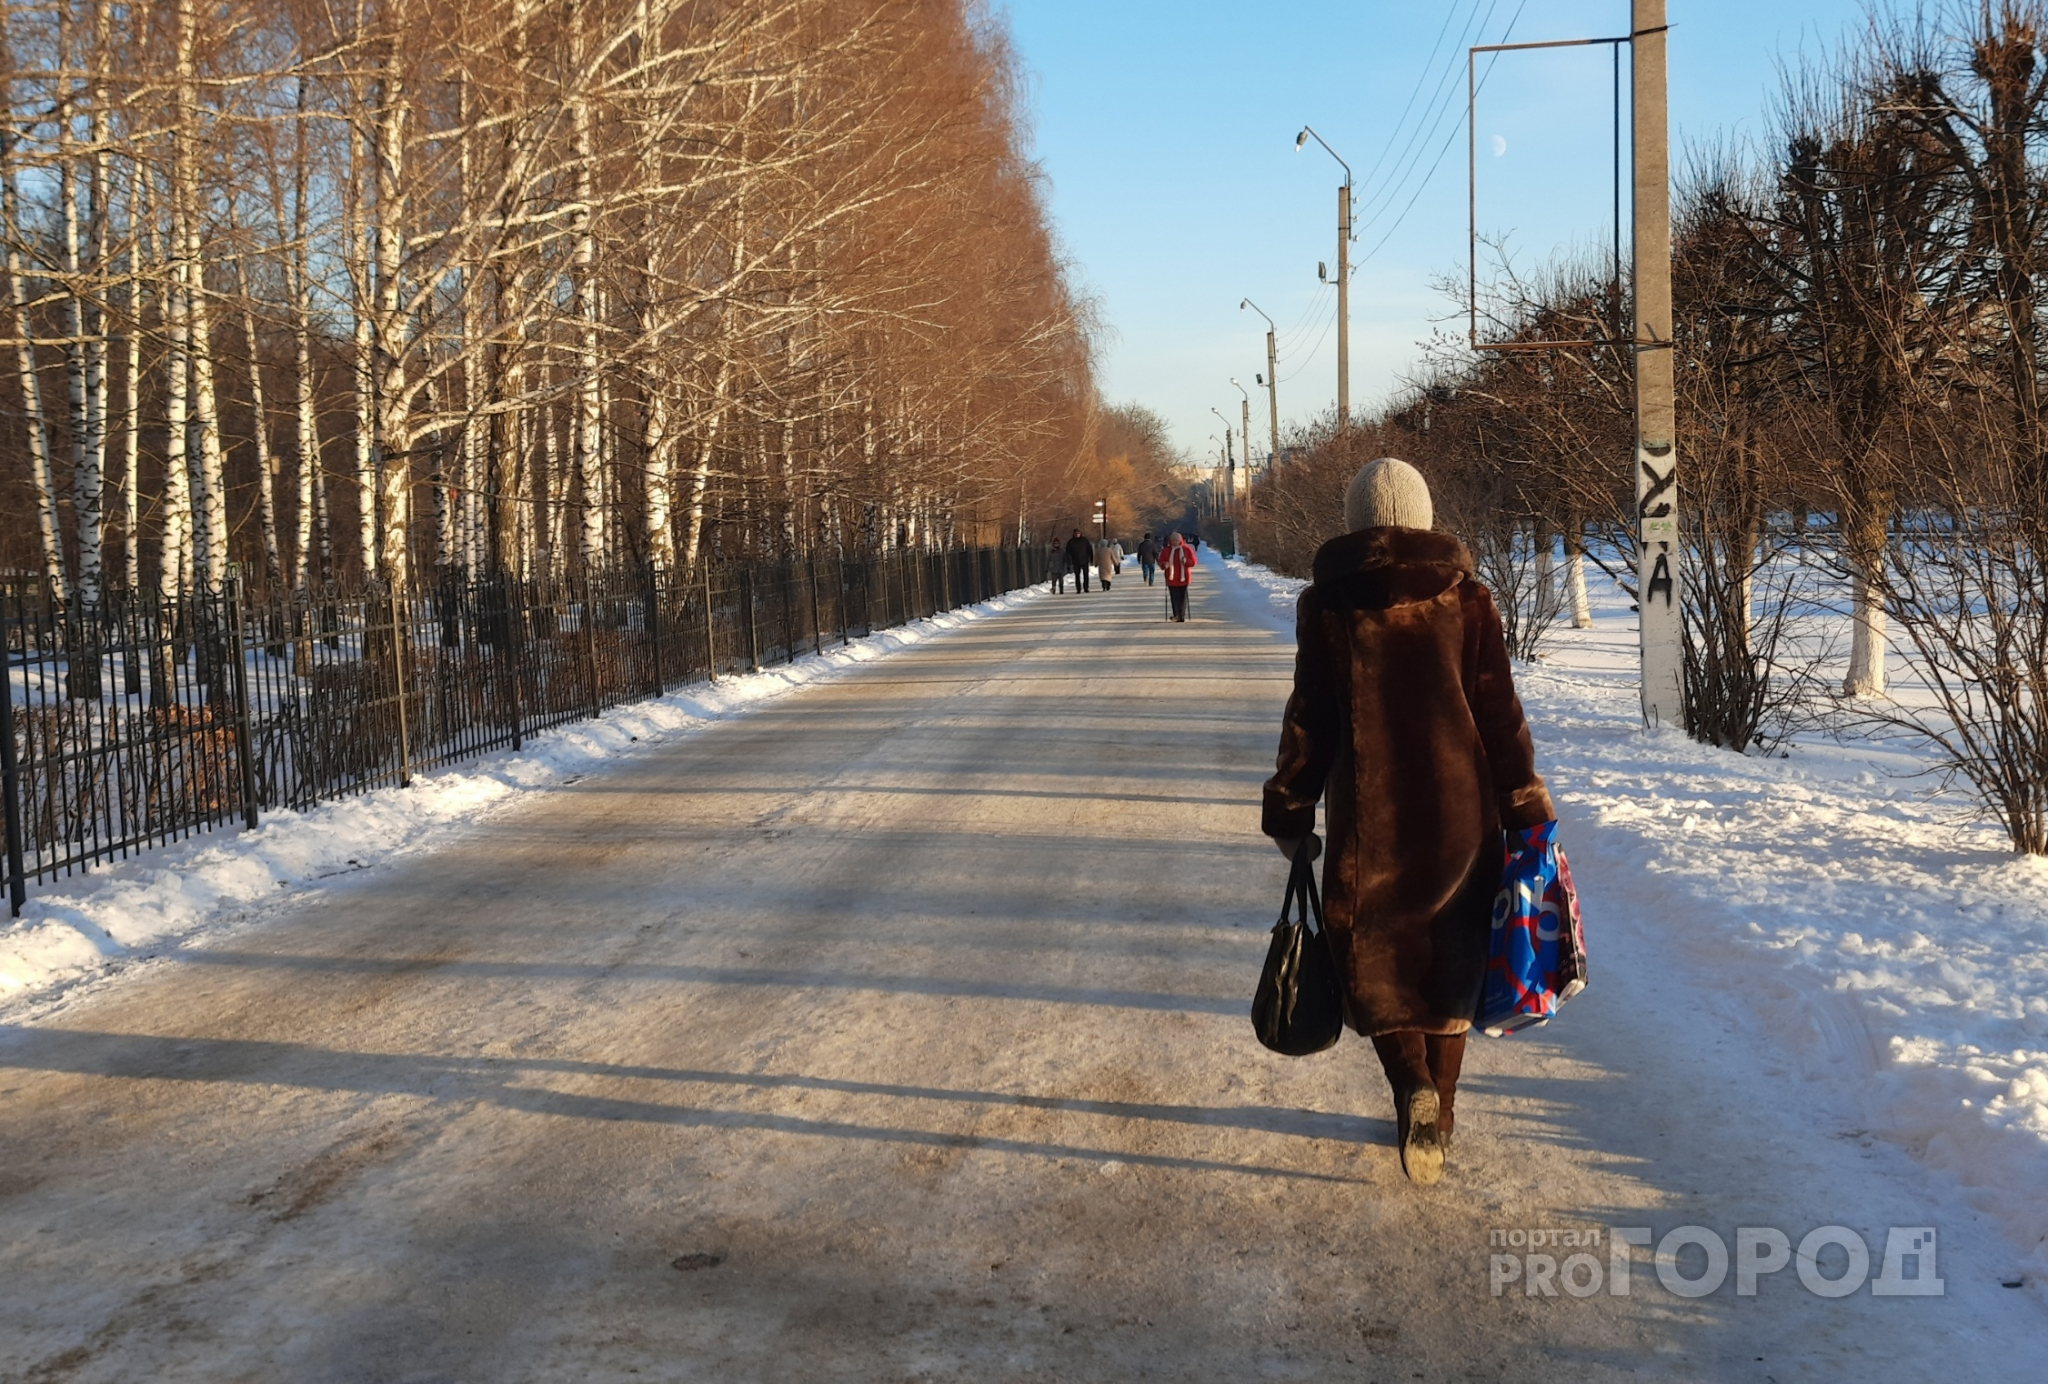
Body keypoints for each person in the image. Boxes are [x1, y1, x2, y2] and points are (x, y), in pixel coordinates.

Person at [1261, 458, 1553, 1186]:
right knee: (1451, 959)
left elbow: (1311, 719)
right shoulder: (1468, 598)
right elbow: (1499, 714)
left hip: (1372, 818)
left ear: (1357, 520)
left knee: (1377, 963)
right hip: (1463, 814)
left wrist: (1292, 805)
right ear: (1423, 517)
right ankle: (1443, 1112)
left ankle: (1409, 1088)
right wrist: (1524, 804)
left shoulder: (1328, 606)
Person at [1160, 531, 1196, 620]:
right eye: (1173, 540)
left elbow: (1193, 562)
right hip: (1171, 579)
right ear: (1170, 541)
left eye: (1176, 540)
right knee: (1174, 598)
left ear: (1180, 540)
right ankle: (1176, 615)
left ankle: (1181, 615)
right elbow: (1161, 562)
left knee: (1182, 598)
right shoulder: (1166, 550)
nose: (1175, 542)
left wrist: (1186, 561)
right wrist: (1165, 564)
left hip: (1183, 578)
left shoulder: (1186, 549)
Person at [1064, 529, 1095, 594]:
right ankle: (1078, 589)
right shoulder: (1071, 542)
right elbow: (1068, 553)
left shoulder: (1084, 540)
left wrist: (1091, 559)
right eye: (1076, 533)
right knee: (1077, 576)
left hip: (1084, 560)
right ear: (1074, 534)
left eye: (1078, 533)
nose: (1077, 534)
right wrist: (1069, 562)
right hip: (1075, 561)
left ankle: (1086, 587)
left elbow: (1089, 550)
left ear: (1080, 533)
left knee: (1086, 575)